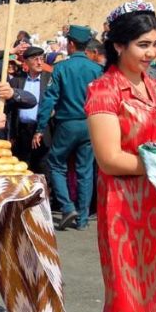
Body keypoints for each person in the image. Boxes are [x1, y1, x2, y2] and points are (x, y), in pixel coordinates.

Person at [86, 1, 156, 312]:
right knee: (127, 301)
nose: (152, 53)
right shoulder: (104, 90)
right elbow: (110, 159)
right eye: (143, 45)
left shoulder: (155, 88)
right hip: (124, 207)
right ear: (118, 45)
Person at [36, 25, 103, 231]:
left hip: (67, 123)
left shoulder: (61, 68)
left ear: (71, 44)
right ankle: (82, 218)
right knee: (85, 170)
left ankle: (67, 206)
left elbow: (50, 99)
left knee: (56, 164)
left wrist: (40, 127)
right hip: (90, 123)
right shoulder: (97, 70)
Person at [9, 46, 52, 175]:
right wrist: (11, 134)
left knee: (43, 168)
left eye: (41, 59)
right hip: (22, 132)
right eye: (35, 59)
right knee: (23, 168)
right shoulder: (17, 81)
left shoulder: (49, 79)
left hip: (43, 130)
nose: (39, 62)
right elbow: (11, 110)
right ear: (26, 62)